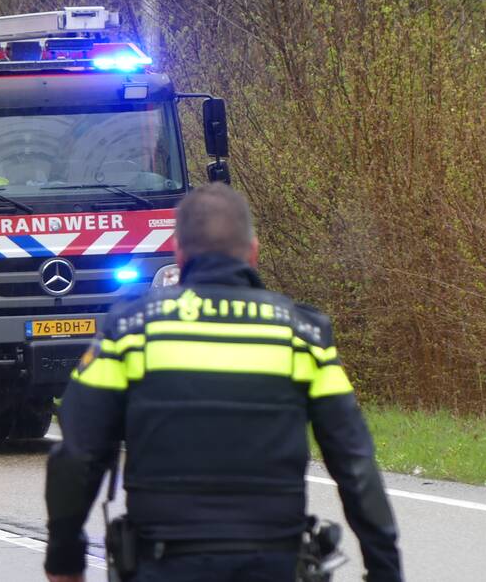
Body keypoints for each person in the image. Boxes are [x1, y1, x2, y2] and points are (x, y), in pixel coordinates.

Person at [44, 185, 402, 581]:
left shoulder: (131, 331)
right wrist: (385, 570)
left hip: (162, 563)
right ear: (254, 250)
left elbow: (78, 454)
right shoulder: (302, 335)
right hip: (273, 563)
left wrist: (64, 560)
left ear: (179, 254)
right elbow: (354, 464)